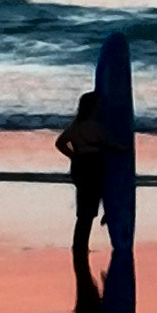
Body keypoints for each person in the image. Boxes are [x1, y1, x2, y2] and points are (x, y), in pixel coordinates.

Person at [56, 90, 109, 279]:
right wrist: (124, 148)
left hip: (79, 166)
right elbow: (109, 144)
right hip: (93, 165)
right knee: (97, 197)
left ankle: (80, 245)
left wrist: (74, 156)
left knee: (84, 209)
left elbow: (60, 143)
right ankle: (108, 215)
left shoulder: (75, 125)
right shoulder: (95, 126)